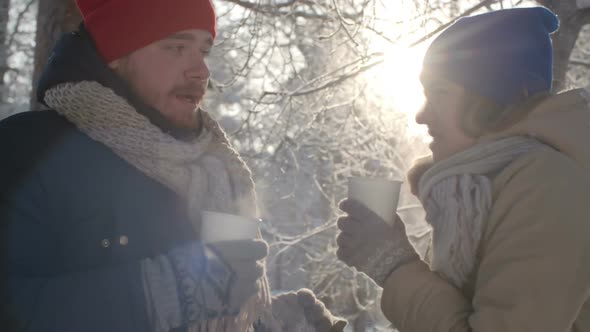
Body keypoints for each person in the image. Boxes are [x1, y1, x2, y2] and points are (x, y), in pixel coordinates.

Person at [0, 0, 346, 331]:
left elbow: (203, 309)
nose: (201, 70)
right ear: (115, 55)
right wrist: (166, 291)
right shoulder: (27, 149)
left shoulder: (209, 168)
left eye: (204, 50)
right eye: (176, 47)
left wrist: (267, 324)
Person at [336, 6, 590, 331]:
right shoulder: (475, 194)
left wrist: (394, 266)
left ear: (495, 97)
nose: (421, 115)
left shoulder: (546, 186)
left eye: (440, 92)